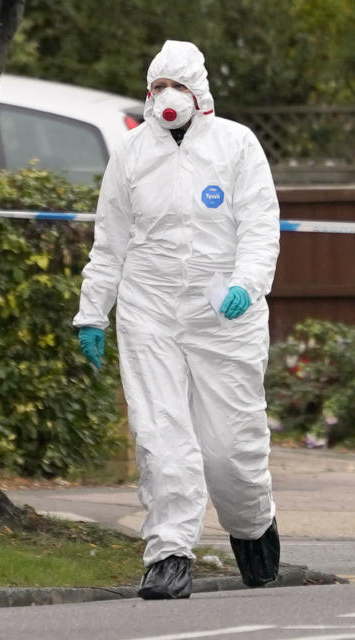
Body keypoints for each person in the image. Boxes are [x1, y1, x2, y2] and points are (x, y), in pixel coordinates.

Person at [73, 40, 281, 600]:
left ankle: (253, 525)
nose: (167, 99)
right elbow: (110, 241)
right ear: (148, 94)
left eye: (178, 88)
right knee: (161, 437)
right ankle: (168, 554)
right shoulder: (133, 152)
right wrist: (93, 311)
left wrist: (245, 284)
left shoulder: (237, 146)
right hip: (151, 309)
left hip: (225, 315)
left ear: (199, 93)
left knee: (229, 450)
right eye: (158, 88)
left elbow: (261, 226)